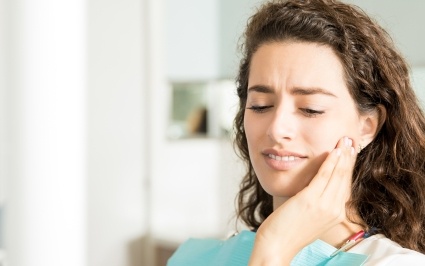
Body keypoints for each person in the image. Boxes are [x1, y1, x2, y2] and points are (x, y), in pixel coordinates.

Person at [168, 0, 425, 265]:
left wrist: (275, 249)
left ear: (367, 126)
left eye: (310, 109)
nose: (277, 129)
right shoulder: (193, 258)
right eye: (260, 105)